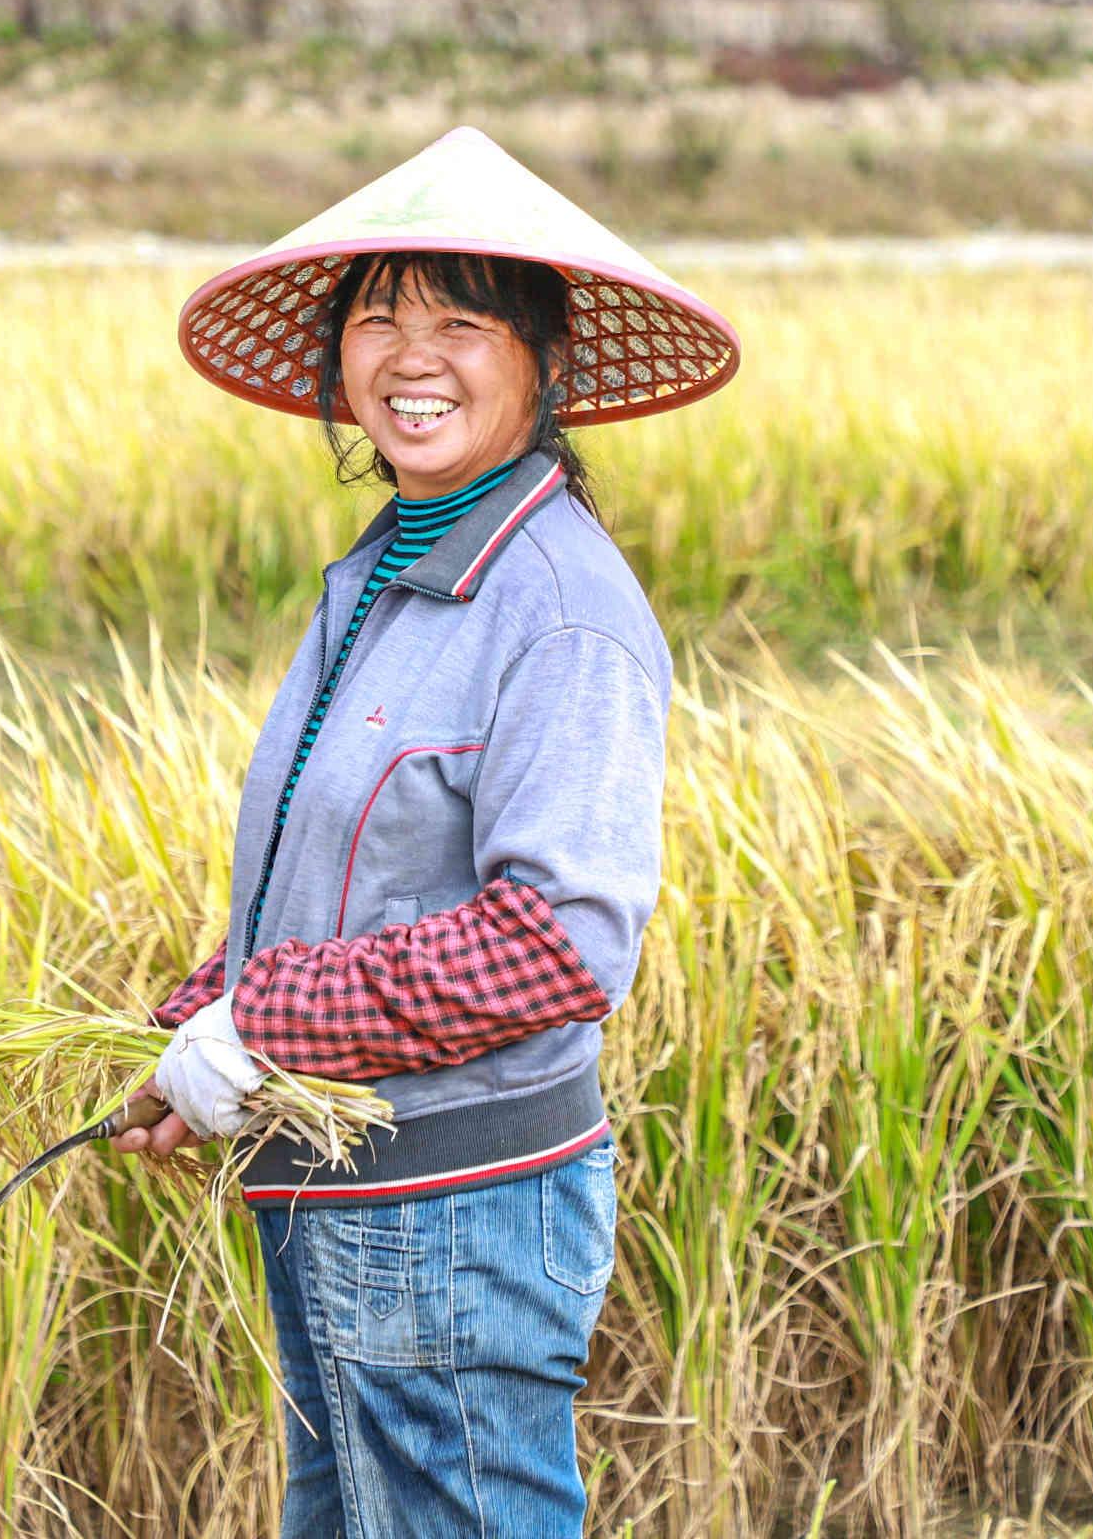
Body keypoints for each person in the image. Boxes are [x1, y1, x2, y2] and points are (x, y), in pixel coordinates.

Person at [115, 126, 740, 1537]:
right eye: (380, 315)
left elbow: (560, 947)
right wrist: (204, 1023)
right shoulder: (390, 576)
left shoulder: (559, 611)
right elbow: (353, 870)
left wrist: (267, 1019)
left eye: (462, 320)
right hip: (338, 1195)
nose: (413, 354)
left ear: (548, 364)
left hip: (452, 1220)